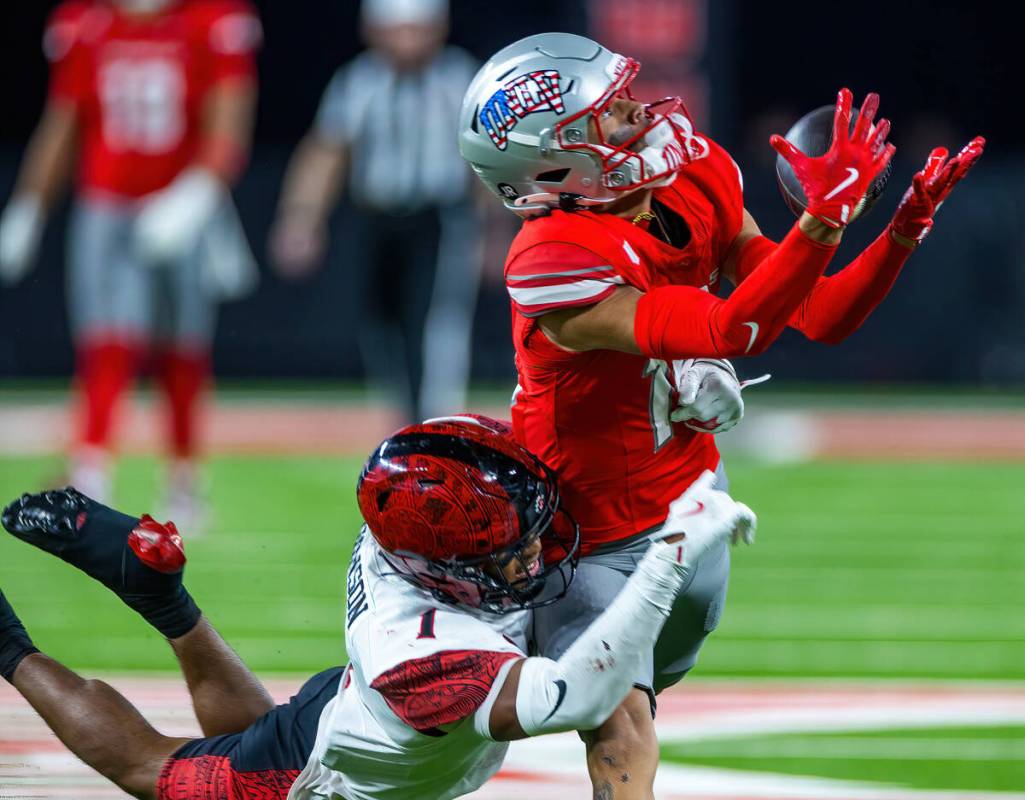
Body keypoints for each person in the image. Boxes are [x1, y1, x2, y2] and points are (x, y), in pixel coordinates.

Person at [457, 32, 985, 798]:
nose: (639, 113)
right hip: (590, 537)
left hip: (698, 506)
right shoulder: (554, 256)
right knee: (618, 732)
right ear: (554, 164)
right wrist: (821, 223)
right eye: (610, 115)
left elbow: (819, 314)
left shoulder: (693, 176)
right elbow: (729, 330)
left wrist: (901, 226)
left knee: (643, 709)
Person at [0, 415, 755, 800]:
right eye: (509, 551)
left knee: (258, 742)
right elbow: (587, 693)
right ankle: (8, 647)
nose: (536, 556)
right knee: (151, 770)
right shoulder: (426, 656)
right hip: (343, 769)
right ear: (447, 565)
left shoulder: (420, 522)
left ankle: (163, 597)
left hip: (349, 717)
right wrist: (669, 557)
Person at [0, 0, 262, 528]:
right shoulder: (85, 22)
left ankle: (185, 483)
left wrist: (200, 190)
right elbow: (65, 117)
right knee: (106, 339)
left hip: (183, 198)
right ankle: (89, 469)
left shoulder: (213, 20)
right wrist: (29, 205)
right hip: (107, 202)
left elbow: (230, 114)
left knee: (182, 346)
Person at [269, 0, 481, 422]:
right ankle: (402, 417)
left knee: (438, 322)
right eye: (397, 30)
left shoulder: (460, 79)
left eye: (415, 30)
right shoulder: (360, 80)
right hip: (378, 216)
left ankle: (437, 421)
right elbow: (327, 151)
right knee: (381, 321)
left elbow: (486, 159)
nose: (406, 42)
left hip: (440, 217)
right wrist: (301, 217)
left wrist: (493, 225)